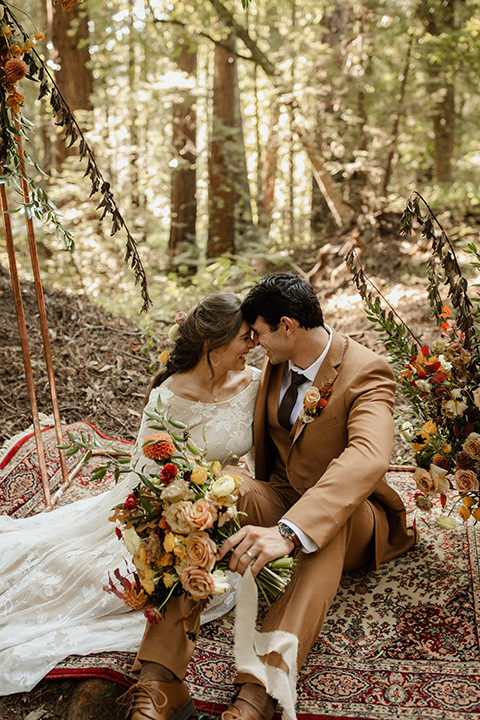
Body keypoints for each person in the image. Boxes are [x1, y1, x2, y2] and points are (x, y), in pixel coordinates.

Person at [126, 273, 415, 720]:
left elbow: (368, 456)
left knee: (325, 524)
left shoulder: (366, 371)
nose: (253, 344)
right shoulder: (274, 366)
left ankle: (256, 695)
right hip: (279, 493)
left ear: (286, 326)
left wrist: (289, 531)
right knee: (208, 490)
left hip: (355, 516)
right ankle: (161, 680)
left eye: (257, 333)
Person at [0, 293, 259, 696]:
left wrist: (241, 488)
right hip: (167, 503)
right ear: (214, 345)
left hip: (230, 504)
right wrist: (193, 498)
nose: (253, 344)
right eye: (245, 337)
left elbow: (263, 458)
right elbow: (146, 474)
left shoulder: (254, 383)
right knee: (93, 580)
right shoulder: (169, 396)